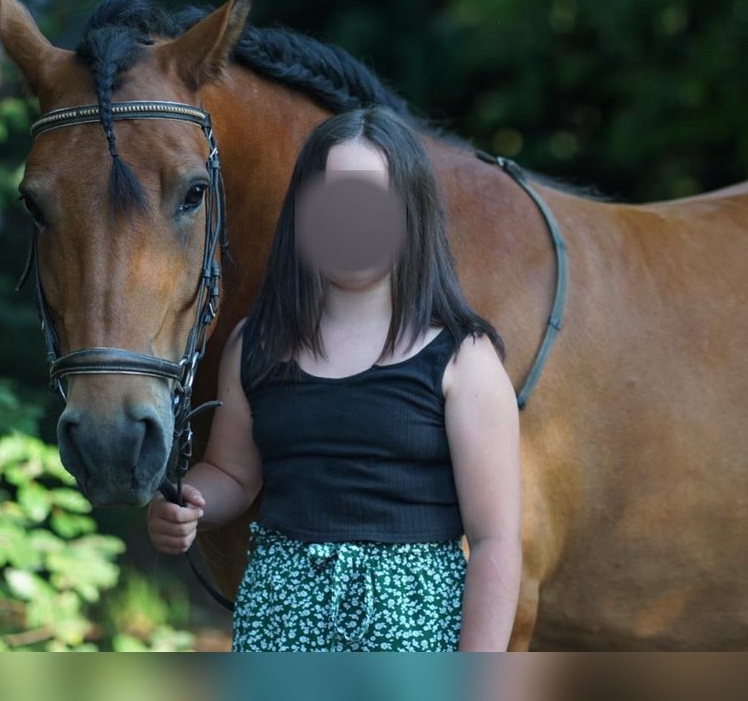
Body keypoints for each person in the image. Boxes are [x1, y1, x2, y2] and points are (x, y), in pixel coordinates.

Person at [147, 105, 522, 652]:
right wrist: (187, 504)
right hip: (280, 628)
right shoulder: (257, 345)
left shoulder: (463, 357)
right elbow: (233, 473)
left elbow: (495, 541)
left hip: (411, 642)